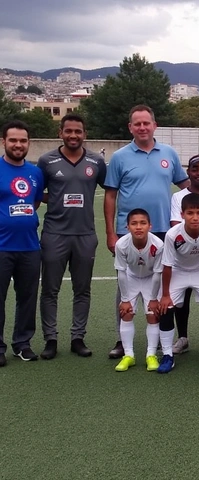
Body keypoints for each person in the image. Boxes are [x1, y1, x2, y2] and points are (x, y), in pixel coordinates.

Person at [104, 105, 189, 359]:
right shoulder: (120, 157)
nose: (142, 127)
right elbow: (110, 196)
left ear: (155, 125)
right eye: (137, 124)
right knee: (125, 285)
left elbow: (185, 186)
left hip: (163, 231)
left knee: (164, 287)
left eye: (146, 123)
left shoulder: (169, 153)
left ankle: (163, 339)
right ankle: (122, 338)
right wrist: (111, 233)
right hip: (128, 233)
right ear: (130, 127)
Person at [37, 114, 107, 359]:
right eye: (69, 131)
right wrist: (55, 199)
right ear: (61, 133)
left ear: (84, 134)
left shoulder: (96, 161)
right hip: (54, 234)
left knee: (82, 289)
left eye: (78, 131)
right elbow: (37, 194)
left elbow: (109, 191)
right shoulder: (46, 161)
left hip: (85, 235)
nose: (73, 135)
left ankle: (78, 337)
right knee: (49, 290)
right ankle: (51, 339)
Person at [157, 193, 199, 373]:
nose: (195, 217)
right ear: (182, 214)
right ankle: (168, 354)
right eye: (190, 213)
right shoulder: (172, 235)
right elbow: (167, 266)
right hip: (179, 271)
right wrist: (165, 295)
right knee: (166, 308)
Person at [0, 120, 44, 366]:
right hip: (1, 247)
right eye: (13, 140)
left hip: (29, 247)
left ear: (28, 143)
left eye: (23, 140)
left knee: (27, 298)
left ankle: (22, 344)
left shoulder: (35, 172)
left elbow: (34, 203)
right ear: (4, 141)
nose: (18, 145)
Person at [169, 154, 199, 355]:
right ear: (188, 172)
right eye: (194, 169)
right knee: (181, 299)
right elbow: (175, 225)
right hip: (183, 255)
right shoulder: (178, 197)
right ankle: (183, 337)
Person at [113, 209, 164, 372]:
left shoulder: (158, 245)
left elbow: (157, 274)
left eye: (143, 223)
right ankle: (128, 355)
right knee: (126, 313)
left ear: (150, 226)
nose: (138, 227)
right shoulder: (121, 244)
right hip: (131, 278)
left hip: (151, 279)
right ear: (127, 227)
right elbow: (121, 272)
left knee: (153, 315)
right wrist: (126, 299)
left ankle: (151, 355)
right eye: (134, 223)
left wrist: (155, 298)